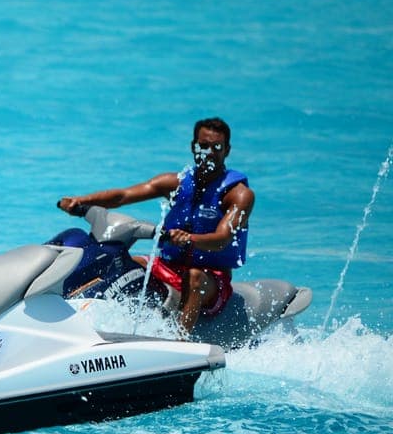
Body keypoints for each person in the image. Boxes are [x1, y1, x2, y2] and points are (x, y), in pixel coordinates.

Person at [58, 117, 254, 337]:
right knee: (123, 262)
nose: (209, 152)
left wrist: (190, 239)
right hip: (170, 266)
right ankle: (105, 322)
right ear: (193, 147)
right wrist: (81, 201)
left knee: (195, 276)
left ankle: (180, 342)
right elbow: (123, 195)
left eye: (216, 147)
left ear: (227, 150)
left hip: (211, 279)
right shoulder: (177, 183)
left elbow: (223, 238)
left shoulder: (239, 194)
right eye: (203, 146)